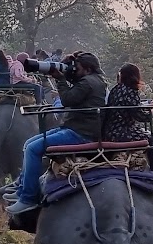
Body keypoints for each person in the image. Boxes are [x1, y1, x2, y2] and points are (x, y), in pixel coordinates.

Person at [6, 51, 109, 217]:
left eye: (78, 68)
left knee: (32, 149)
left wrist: (60, 79)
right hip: (77, 128)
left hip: (80, 133)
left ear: (88, 69)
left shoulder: (88, 82)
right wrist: (67, 73)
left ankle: (28, 198)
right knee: (29, 143)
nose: (75, 70)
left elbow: (67, 99)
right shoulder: (95, 80)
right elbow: (77, 90)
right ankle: (22, 189)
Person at [106, 63, 153, 192]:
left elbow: (131, 106)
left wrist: (150, 104)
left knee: (149, 135)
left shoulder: (116, 89)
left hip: (112, 130)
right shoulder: (131, 91)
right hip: (123, 131)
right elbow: (141, 116)